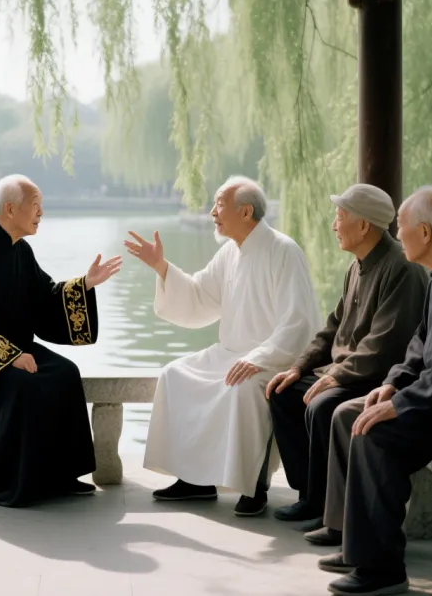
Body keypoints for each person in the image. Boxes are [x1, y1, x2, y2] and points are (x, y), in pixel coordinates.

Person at [318, 186, 432, 596]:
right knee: (348, 415)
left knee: (375, 434)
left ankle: (382, 569)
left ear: (426, 232)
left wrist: (400, 405)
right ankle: (354, 541)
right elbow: (419, 346)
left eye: (400, 227)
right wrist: (391, 385)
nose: (396, 236)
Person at [125, 176, 322, 517]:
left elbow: (299, 321)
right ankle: (193, 479)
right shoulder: (230, 252)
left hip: (271, 359)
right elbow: (199, 295)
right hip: (229, 352)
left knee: (243, 388)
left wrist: (260, 357)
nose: (212, 212)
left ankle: (253, 487)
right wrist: (162, 267)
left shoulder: (284, 251)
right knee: (174, 375)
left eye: (219, 205)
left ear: (245, 212)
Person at [0, 174, 122, 507]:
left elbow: (43, 297)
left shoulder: (20, 250)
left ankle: (61, 475)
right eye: (35, 206)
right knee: (22, 384)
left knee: (64, 373)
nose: (41, 213)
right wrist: (9, 357)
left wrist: (85, 284)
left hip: (13, 346)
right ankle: (15, 481)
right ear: (10, 209)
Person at [265, 184, 427, 539]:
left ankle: (331, 509)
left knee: (322, 406)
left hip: (376, 378)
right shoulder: (356, 266)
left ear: (364, 225)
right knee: (283, 392)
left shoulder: (401, 268)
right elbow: (333, 327)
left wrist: (337, 376)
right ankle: (310, 495)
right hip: (346, 372)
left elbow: (384, 344)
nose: (334, 225)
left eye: (340, 217)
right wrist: (299, 366)